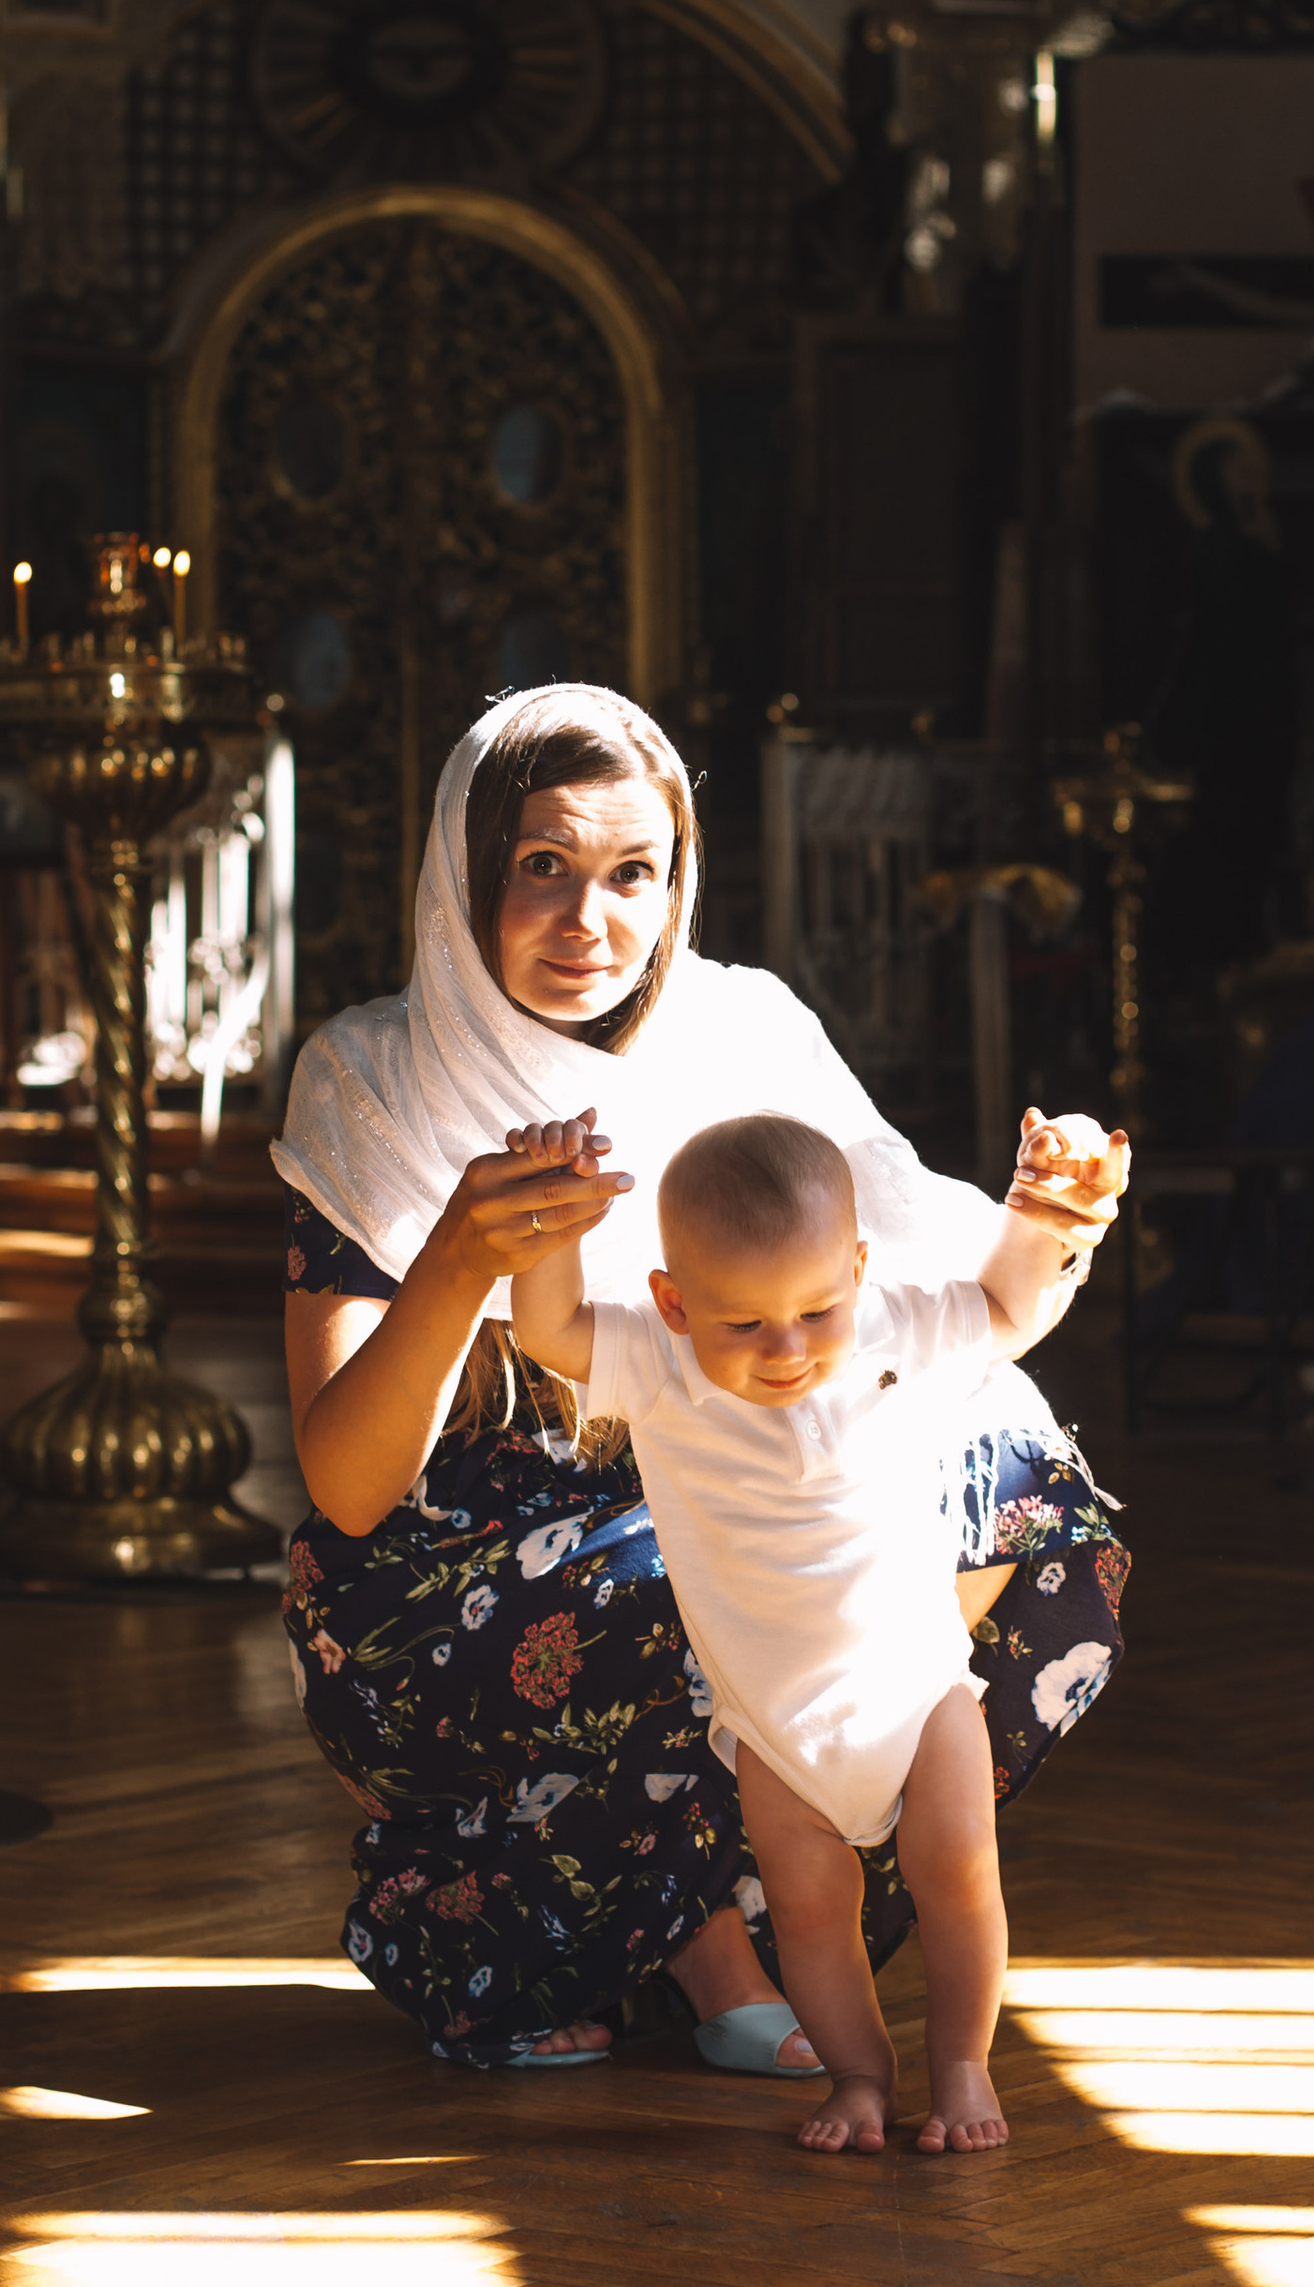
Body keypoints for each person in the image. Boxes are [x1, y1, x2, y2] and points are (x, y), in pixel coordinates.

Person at [274, 682, 1133, 2073]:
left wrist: (1056, 1210)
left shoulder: (746, 1031)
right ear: (465, 871)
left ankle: (743, 1882)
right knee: (717, 1562)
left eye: (634, 873)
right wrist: (459, 1258)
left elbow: (938, 1282)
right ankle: (691, 1937)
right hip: (453, 1577)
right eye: (541, 867)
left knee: (1022, 1495)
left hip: (730, 1494)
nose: (589, 920)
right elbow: (351, 1489)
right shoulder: (372, 1075)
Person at [506, 1106, 1123, 2155]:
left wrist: (1039, 1212)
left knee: (959, 1876)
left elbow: (1003, 1309)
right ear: (675, 1302)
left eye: (816, 1310)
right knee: (808, 1916)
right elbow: (549, 1330)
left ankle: (962, 2063)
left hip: (918, 1688)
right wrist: (550, 1225)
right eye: (744, 1324)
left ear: (859, 1270)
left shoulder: (889, 1325)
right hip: (775, 1724)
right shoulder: (657, 1361)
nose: (786, 1349)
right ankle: (859, 2077)